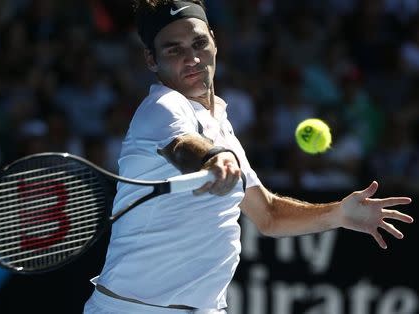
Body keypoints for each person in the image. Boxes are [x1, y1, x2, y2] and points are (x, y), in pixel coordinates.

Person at [83, 1, 414, 313]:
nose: (192, 58)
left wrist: (339, 213)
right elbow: (184, 147)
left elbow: (268, 215)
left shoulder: (220, 123)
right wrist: (214, 161)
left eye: (199, 43)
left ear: (214, 40)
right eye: (174, 49)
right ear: (151, 60)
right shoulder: (162, 106)